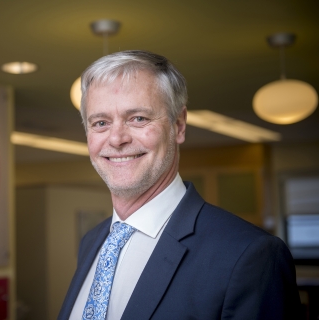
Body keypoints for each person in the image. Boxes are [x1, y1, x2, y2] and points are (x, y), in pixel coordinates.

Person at [58, 50, 300, 320]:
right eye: (100, 123)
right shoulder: (93, 241)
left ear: (179, 125)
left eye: (138, 118)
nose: (116, 139)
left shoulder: (251, 255)